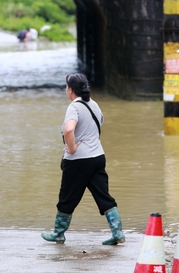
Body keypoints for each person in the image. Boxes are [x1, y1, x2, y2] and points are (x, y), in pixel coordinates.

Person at [41, 73, 125, 245]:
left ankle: (58, 233)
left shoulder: (74, 107)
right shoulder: (94, 104)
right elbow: (97, 125)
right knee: (103, 196)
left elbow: (69, 129)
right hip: (98, 157)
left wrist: (71, 148)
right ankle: (117, 232)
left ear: (70, 90)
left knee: (67, 197)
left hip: (78, 160)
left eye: (67, 87)